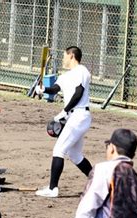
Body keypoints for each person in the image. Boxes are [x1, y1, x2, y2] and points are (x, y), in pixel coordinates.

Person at [34, 46, 93, 198]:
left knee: (58, 150)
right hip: (74, 117)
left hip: (79, 115)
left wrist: (65, 111)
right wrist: (43, 90)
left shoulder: (82, 71)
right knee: (75, 154)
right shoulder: (65, 76)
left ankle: (53, 189)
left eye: (64, 56)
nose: (63, 59)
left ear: (72, 55)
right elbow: (54, 89)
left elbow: (78, 94)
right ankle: (98, 182)